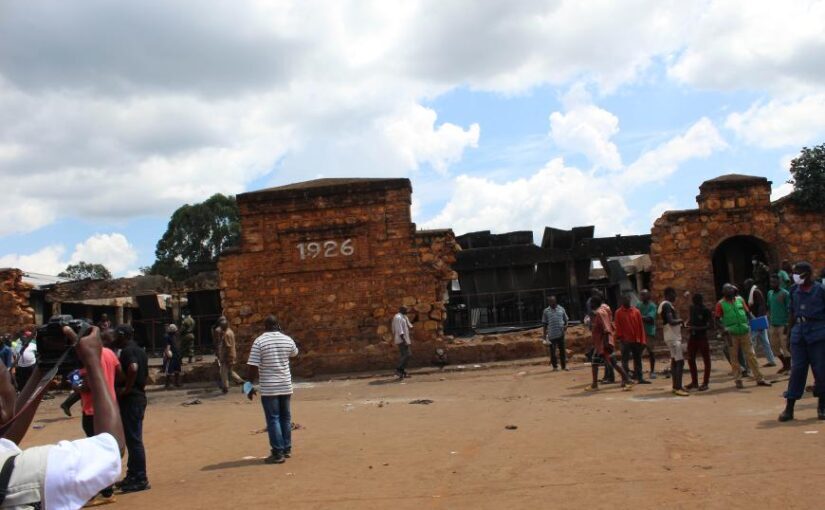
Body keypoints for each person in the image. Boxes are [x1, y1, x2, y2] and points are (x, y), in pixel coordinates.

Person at [0, 325, 124, 509]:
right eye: (10, 380)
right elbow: (112, 446)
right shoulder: (31, 469)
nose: (13, 385)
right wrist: (92, 362)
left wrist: (43, 369)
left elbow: (6, 437)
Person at [76, 328, 122, 506]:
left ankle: (98, 492)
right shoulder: (110, 353)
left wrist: (77, 387)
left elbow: (87, 386)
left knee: (94, 453)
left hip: (92, 410)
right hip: (109, 408)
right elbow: (120, 375)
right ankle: (108, 490)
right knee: (108, 450)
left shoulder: (88, 357)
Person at [246, 315, 299, 464]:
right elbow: (295, 353)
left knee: (273, 418)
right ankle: (287, 448)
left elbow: (252, 367)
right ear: (278, 325)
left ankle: (277, 452)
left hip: (270, 387)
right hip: (285, 385)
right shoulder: (287, 339)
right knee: (285, 417)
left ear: (265, 326)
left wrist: (248, 386)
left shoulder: (259, 341)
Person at [778, 262, 825, 422]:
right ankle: (789, 408)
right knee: (797, 370)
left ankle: (822, 406)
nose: (795, 276)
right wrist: (789, 333)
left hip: (818, 332)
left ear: (807, 273)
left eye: (798, 272)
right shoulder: (794, 290)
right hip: (799, 332)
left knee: (821, 371)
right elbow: (791, 312)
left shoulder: (820, 290)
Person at [113, 324, 150, 493]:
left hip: (132, 399)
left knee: (134, 440)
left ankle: (140, 478)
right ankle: (133, 475)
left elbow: (133, 368)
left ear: (122, 336)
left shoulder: (128, 351)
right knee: (131, 439)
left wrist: (126, 389)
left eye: (116, 336)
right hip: (137, 397)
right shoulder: (139, 350)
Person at [715, 283, 771, 389]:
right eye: (728, 292)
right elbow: (717, 319)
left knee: (751, 355)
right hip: (731, 334)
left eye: (731, 292)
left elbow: (748, 313)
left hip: (745, 331)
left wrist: (755, 322)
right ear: (724, 293)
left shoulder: (740, 300)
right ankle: (738, 380)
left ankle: (759, 378)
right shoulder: (720, 304)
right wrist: (723, 329)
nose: (731, 294)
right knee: (734, 357)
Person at [585, 294, 631, 392]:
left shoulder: (600, 313)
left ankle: (627, 380)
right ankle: (594, 384)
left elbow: (606, 329)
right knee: (595, 362)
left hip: (603, 343)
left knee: (613, 362)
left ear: (596, 303)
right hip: (599, 344)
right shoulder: (601, 312)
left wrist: (606, 344)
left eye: (592, 303)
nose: (591, 304)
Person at [658, 288, 689, 396]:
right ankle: (678, 387)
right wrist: (680, 320)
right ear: (668, 294)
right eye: (674, 294)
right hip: (673, 337)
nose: (675, 296)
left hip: (671, 336)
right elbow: (671, 321)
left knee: (675, 361)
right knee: (680, 362)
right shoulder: (666, 305)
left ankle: (675, 386)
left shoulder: (667, 305)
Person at [614, 294, 650, 384]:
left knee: (637, 359)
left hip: (636, 339)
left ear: (630, 299)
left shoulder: (636, 311)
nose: (626, 301)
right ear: (622, 301)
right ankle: (625, 379)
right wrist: (620, 337)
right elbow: (617, 326)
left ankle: (640, 378)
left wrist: (642, 339)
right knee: (624, 361)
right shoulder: (618, 312)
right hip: (625, 340)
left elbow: (640, 326)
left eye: (627, 299)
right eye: (624, 299)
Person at [745, 278, 777, 367]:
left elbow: (761, 306)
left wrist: (757, 319)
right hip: (758, 319)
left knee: (751, 341)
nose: (745, 286)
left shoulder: (755, 292)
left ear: (750, 284)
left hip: (757, 319)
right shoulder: (754, 292)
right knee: (765, 342)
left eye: (746, 284)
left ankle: (750, 364)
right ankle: (771, 361)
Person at [686, 293, 712, 391]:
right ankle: (694, 382)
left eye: (697, 301)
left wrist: (696, 328)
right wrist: (687, 324)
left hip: (702, 337)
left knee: (706, 359)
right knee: (690, 358)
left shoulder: (706, 310)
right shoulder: (692, 308)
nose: (695, 303)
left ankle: (705, 382)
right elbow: (691, 319)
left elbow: (710, 326)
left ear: (701, 301)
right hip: (693, 337)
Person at [767, 274, 792, 374]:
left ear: (779, 282)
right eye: (771, 282)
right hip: (773, 324)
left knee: (785, 347)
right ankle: (785, 365)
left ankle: (789, 367)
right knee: (774, 347)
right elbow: (769, 307)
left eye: (774, 282)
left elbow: (790, 310)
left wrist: (788, 324)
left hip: (783, 324)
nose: (772, 284)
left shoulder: (785, 293)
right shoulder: (769, 293)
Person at [214, 317, 244, 393]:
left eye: (221, 326)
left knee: (223, 372)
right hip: (232, 354)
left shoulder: (226, 334)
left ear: (223, 327)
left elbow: (228, 347)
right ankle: (240, 380)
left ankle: (225, 387)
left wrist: (225, 357)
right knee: (230, 371)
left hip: (227, 355)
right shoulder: (230, 331)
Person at [541, 295, 569, 371]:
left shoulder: (561, 309)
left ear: (555, 301)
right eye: (549, 301)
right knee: (553, 352)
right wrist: (544, 336)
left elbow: (566, 320)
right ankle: (555, 367)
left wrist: (566, 326)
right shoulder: (546, 311)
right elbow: (544, 324)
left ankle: (564, 366)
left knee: (562, 351)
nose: (551, 302)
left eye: (552, 301)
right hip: (551, 335)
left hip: (561, 334)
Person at [636, 290, 658, 379]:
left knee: (651, 352)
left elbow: (650, 318)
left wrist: (639, 317)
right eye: (641, 295)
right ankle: (638, 372)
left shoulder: (652, 306)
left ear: (648, 296)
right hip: (640, 332)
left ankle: (652, 371)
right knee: (638, 353)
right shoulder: (638, 305)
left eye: (643, 295)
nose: (642, 296)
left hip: (649, 332)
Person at [391, 307, 413, 379]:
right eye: (406, 310)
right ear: (401, 310)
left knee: (406, 355)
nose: (407, 311)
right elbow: (399, 330)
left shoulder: (404, 316)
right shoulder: (397, 317)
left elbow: (409, 325)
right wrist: (404, 340)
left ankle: (402, 372)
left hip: (405, 339)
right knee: (407, 355)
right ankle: (398, 369)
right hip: (401, 340)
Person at [162, 324, 182, 389]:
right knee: (169, 370)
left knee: (176, 369)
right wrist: (167, 354)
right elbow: (168, 346)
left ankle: (176, 383)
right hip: (172, 355)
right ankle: (168, 384)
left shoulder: (173, 336)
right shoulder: (168, 337)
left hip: (176, 354)